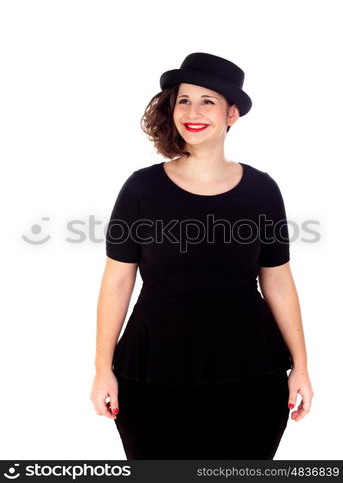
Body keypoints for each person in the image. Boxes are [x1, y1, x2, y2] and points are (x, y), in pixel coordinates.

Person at [90, 52, 314, 460]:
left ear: (232, 114)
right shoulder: (141, 189)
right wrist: (102, 369)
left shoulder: (263, 190)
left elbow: (278, 279)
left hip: (251, 368)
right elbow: (117, 281)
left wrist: (301, 366)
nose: (193, 112)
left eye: (207, 102)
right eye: (184, 101)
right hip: (153, 369)